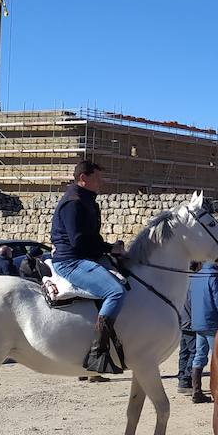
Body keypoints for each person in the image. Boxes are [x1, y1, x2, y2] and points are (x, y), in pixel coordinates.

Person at [50, 159, 128, 375]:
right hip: (71, 261)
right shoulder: (74, 202)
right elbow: (79, 241)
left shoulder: (86, 200)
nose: (101, 182)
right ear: (83, 178)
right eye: (97, 178)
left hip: (85, 256)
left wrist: (109, 248)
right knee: (115, 291)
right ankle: (97, 352)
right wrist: (109, 248)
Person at [187, 259, 218, 403]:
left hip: (198, 321)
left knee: (199, 355)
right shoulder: (215, 277)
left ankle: (196, 390)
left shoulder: (196, 276)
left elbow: (189, 300)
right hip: (213, 321)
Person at [177, 261, 200, 393]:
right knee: (194, 351)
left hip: (181, 320)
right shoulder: (194, 282)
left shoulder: (181, 281)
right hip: (190, 321)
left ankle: (182, 378)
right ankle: (185, 379)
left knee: (184, 351)